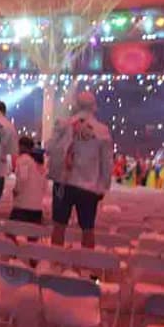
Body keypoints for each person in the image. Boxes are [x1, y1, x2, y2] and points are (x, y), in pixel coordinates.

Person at [47, 91, 113, 249]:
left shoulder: (63, 124)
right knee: (88, 229)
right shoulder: (101, 131)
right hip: (89, 187)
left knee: (58, 226)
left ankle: (55, 263)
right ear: (94, 107)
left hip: (63, 182)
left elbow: (50, 148)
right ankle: (86, 266)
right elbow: (106, 163)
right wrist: (104, 186)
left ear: (76, 105)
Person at [10, 136, 47, 234]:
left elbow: (22, 178)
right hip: (37, 207)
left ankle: (18, 248)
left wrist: (16, 190)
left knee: (10, 232)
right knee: (33, 241)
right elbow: (44, 185)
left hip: (22, 205)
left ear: (21, 146)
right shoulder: (40, 165)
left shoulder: (23, 160)